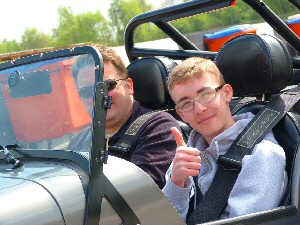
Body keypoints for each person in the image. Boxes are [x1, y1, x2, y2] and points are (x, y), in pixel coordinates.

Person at [162, 57, 287, 222]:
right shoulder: (186, 157)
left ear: (226, 93)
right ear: (181, 115)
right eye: (186, 103)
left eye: (206, 94)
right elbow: (162, 220)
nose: (200, 108)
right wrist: (176, 183)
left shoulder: (262, 156)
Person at [68, 44, 180, 189]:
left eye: (107, 86)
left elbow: (137, 192)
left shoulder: (159, 128)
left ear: (129, 86)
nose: (99, 97)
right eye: (87, 91)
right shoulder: (79, 142)